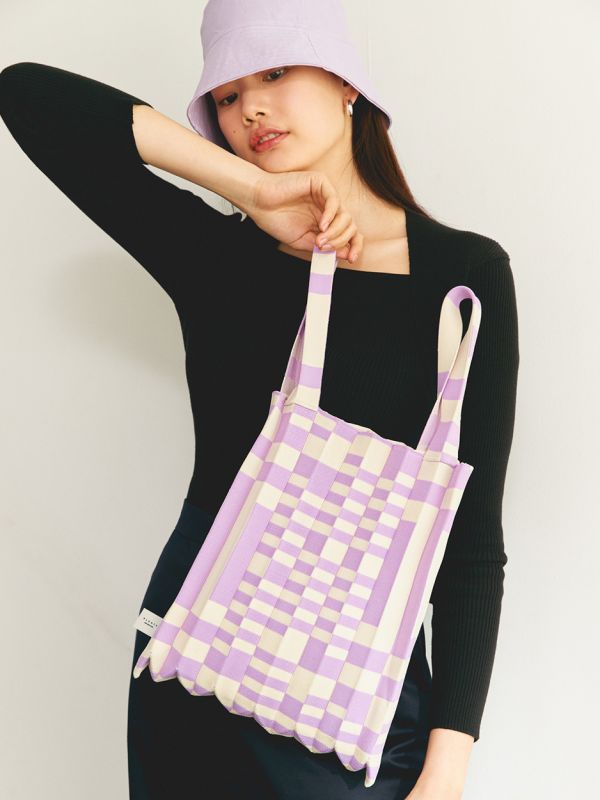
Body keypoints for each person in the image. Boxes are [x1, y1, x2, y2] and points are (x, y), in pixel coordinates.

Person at [0, 1, 519, 798]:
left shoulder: (464, 279)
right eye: (228, 95)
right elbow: (25, 94)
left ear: (347, 83)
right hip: (196, 674)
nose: (252, 109)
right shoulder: (215, 255)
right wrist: (249, 188)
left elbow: (472, 542)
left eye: (275, 71)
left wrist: (446, 768)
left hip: (360, 695)